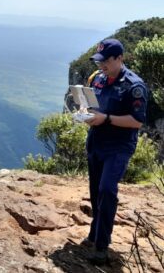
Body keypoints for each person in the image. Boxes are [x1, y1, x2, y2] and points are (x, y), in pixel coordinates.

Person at [82, 38, 147, 265]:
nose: (102, 66)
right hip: (96, 141)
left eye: (106, 61)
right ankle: (94, 231)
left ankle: (102, 246)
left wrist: (105, 119)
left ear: (120, 58)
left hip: (118, 147)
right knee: (94, 190)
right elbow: (94, 107)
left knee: (107, 190)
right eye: (99, 61)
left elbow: (137, 121)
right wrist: (87, 115)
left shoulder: (134, 86)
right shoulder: (98, 79)